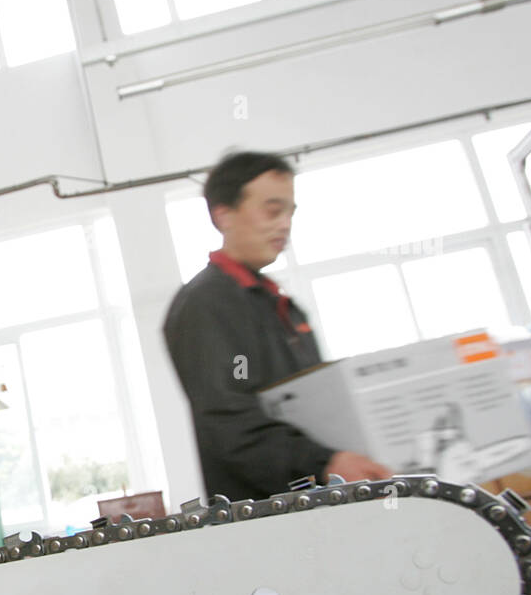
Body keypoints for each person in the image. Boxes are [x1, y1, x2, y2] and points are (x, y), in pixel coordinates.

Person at [163, 150, 389, 503]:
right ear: (224, 215)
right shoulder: (208, 306)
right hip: (269, 517)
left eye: (289, 212)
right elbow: (231, 421)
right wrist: (323, 463)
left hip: (319, 500)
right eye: (272, 210)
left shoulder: (281, 306)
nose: (284, 224)